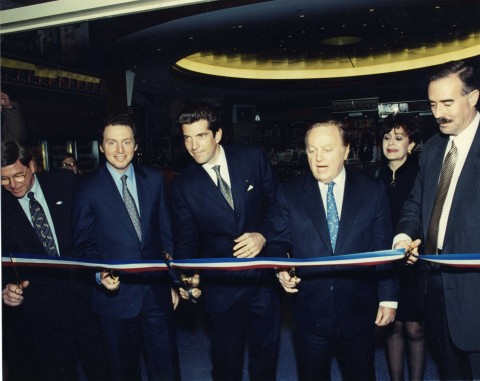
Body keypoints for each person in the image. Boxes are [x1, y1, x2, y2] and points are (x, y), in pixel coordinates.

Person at [272, 120, 398, 381]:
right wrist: (281, 265)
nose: (318, 158)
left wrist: (388, 298)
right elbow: (278, 241)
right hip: (310, 311)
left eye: (327, 149)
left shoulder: (372, 191)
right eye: (311, 150)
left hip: (359, 309)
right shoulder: (289, 193)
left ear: (346, 151)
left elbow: (383, 247)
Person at [171, 102, 280, 381]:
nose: (193, 146)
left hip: (261, 280)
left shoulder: (252, 158)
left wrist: (263, 235)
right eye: (187, 138)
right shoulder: (183, 185)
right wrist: (186, 275)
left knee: (265, 357)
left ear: (217, 134)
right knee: (225, 362)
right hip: (220, 287)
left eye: (200, 136)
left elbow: (278, 206)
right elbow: (186, 239)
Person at [72, 115, 180, 381]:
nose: (120, 150)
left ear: (135, 145)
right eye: (112, 143)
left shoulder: (154, 179)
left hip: (156, 294)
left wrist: (174, 282)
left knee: (166, 367)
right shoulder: (87, 188)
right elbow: (83, 243)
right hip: (115, 300)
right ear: (101, 147)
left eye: (126, 142)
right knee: (122, 370)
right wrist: (100, 274)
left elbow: (167, 237)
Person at [397, 60, 480, 380]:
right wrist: (403, 237)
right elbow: (415, 204)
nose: (438, 113)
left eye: (447, 103)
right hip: (433, 287)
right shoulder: (432, 149)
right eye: (432, 104)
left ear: (473, 98)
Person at [1, 140, 107, 381]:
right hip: (40, 306)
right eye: (3, 179)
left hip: (83, 294)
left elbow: (93, 230)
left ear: (32, 165)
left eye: (18, 175)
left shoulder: (64, 183)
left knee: (100, 365)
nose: (12, 185)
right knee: (58, 372)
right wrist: (3, 289)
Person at [373, 115, 425, 381]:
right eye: (386, 137)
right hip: (385, 264)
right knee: (391, 327)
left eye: (399, 138)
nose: (391, 143)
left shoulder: (421, 175)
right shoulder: (374, 176)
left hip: (413, 260)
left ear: (412, 144)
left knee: (415, 329)